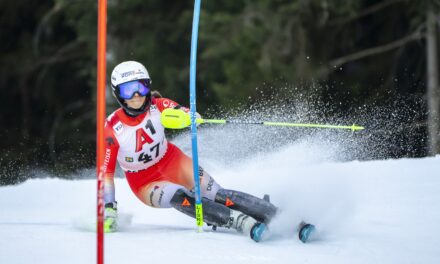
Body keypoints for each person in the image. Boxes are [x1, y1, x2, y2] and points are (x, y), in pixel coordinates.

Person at [102, 61, 314, 243]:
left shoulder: (159, 106)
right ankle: (240, 222)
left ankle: (285, 219)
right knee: (180, 196)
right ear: (118, 95)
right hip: (144, 181)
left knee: (217, 194)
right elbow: (107, 173)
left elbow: (184, 111)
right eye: (128, 90)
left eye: (140, 87)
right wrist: (109, 207)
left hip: (172, 161)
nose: (137, 95)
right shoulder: (112, 128)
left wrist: (189, 117)